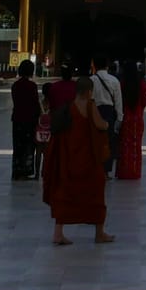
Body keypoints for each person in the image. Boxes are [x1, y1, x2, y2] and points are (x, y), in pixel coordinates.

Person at [41, 62, 113, 245]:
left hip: (70, 159)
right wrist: (107, 124)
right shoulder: (90, 106)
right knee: (96, 193)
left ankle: (58, 233)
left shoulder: (69, 107)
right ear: (89, 91)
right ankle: (99, 233)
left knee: (66, 194)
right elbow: (100, 125)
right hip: (89, 159)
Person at [88, 56, 123, 175]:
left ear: (94, 65)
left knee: (94, 140)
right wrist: (119, 118)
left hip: (95, 111)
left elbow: (89, 99)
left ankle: (95, 167)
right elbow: (118, 101)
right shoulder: (114, 80)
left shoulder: (91, 80)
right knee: (108, 141)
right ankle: (106, 170)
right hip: (109, 113)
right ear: (107, 66)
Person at [10, 59, 41, 181]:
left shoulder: (15, 85)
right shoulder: (32, 86)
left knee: (18, 145)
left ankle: (16, 170)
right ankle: (26, 170)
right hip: (30, 119)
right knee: (28, 146)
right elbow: (35, 102)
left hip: (17, 118)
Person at [117, 61, 146, 181]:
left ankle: (124, 171)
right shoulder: (141, 84)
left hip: (126, 117)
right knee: (136, 145)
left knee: (124, 145)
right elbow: (144, 102)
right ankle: (134, 171)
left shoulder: (122, 84)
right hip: (137, 117)